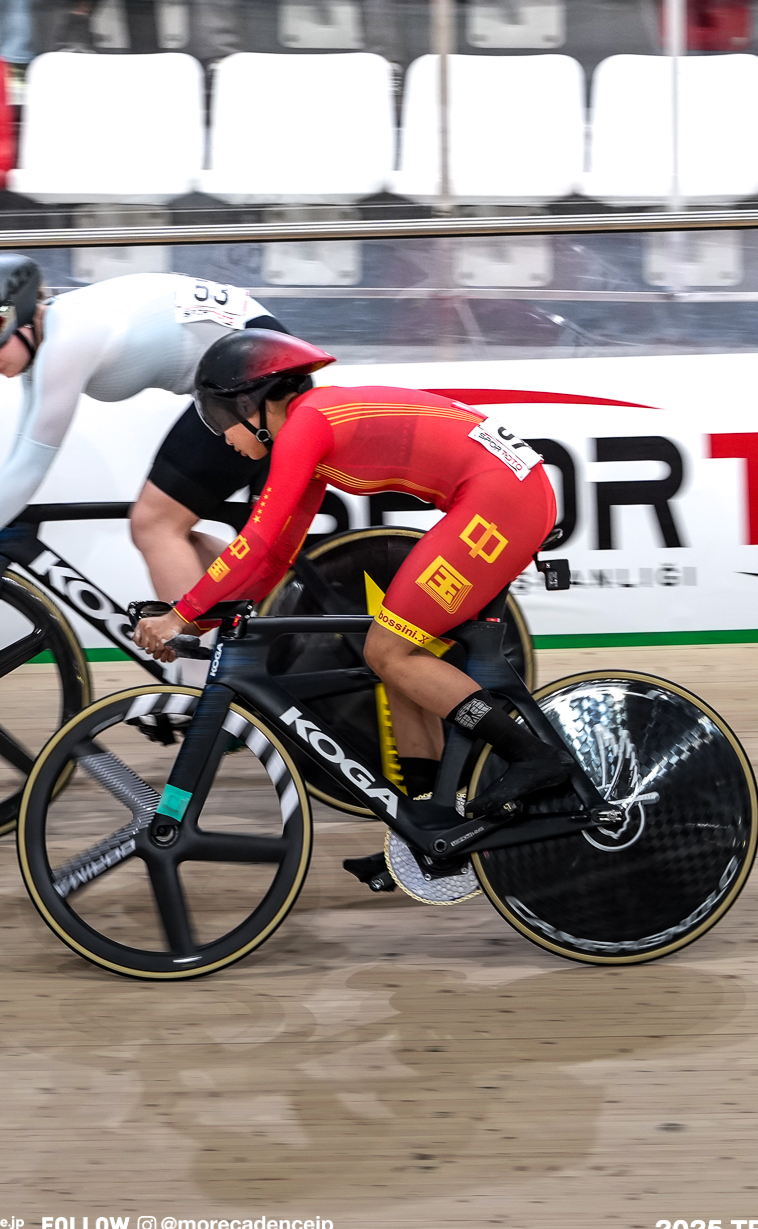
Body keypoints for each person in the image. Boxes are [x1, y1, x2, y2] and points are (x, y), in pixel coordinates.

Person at [131, 329, 572, 880]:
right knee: (397, 665)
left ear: (258, 402)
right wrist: (210, 615)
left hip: (502, 497)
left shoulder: (306, 426)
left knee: (388, 651)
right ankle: (427, 828)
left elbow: (257, 541)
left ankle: (536, 757)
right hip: (502, 488)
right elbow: (275, 558)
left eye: (223, 418)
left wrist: (182, 612)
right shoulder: (309, 433)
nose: (221, 435)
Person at [0, 254, 298, 621]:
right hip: (247, 361)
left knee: (154, 525)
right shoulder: (46, 337)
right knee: (167, 530)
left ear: (22, 317)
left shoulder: (68, 341)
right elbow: (22, 451)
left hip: (257, 368)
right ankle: (281, 608)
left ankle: (203, 678)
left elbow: (34, 461)